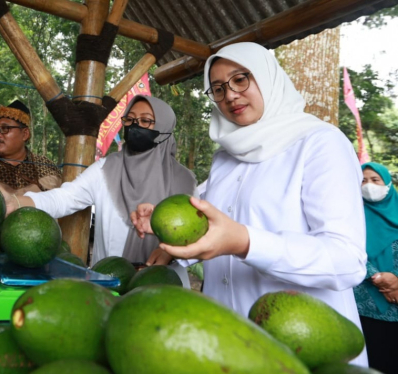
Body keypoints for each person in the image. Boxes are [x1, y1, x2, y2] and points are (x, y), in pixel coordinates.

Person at [131, 43, 368, 365]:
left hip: (304, 347)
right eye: (218, 88)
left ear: (268, 77)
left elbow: (346, 259)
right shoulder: (226, 159)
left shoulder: (321, 143)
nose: (230, 95)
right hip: (230, 345)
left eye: (241, 79)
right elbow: (210, 222)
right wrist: (161, 220)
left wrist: (246, 242)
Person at [0, 96, 197, 283]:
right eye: (130, 119)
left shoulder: (185, 181)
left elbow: (199, 231)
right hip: (110, 282)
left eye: (146, 121)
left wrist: (171, 251)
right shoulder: (106, 168)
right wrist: (16, 202)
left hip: (166, 286)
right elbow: (65, 197)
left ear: (164, 128)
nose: (135, 126)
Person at [354, 162, 398, 372]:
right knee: (375, 361)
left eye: (375, 180)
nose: (369, 185)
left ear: (387, 184)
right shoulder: (351, 216)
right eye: (363, 180)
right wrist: (380, 278)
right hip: (366, 305)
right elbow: (349, 250)